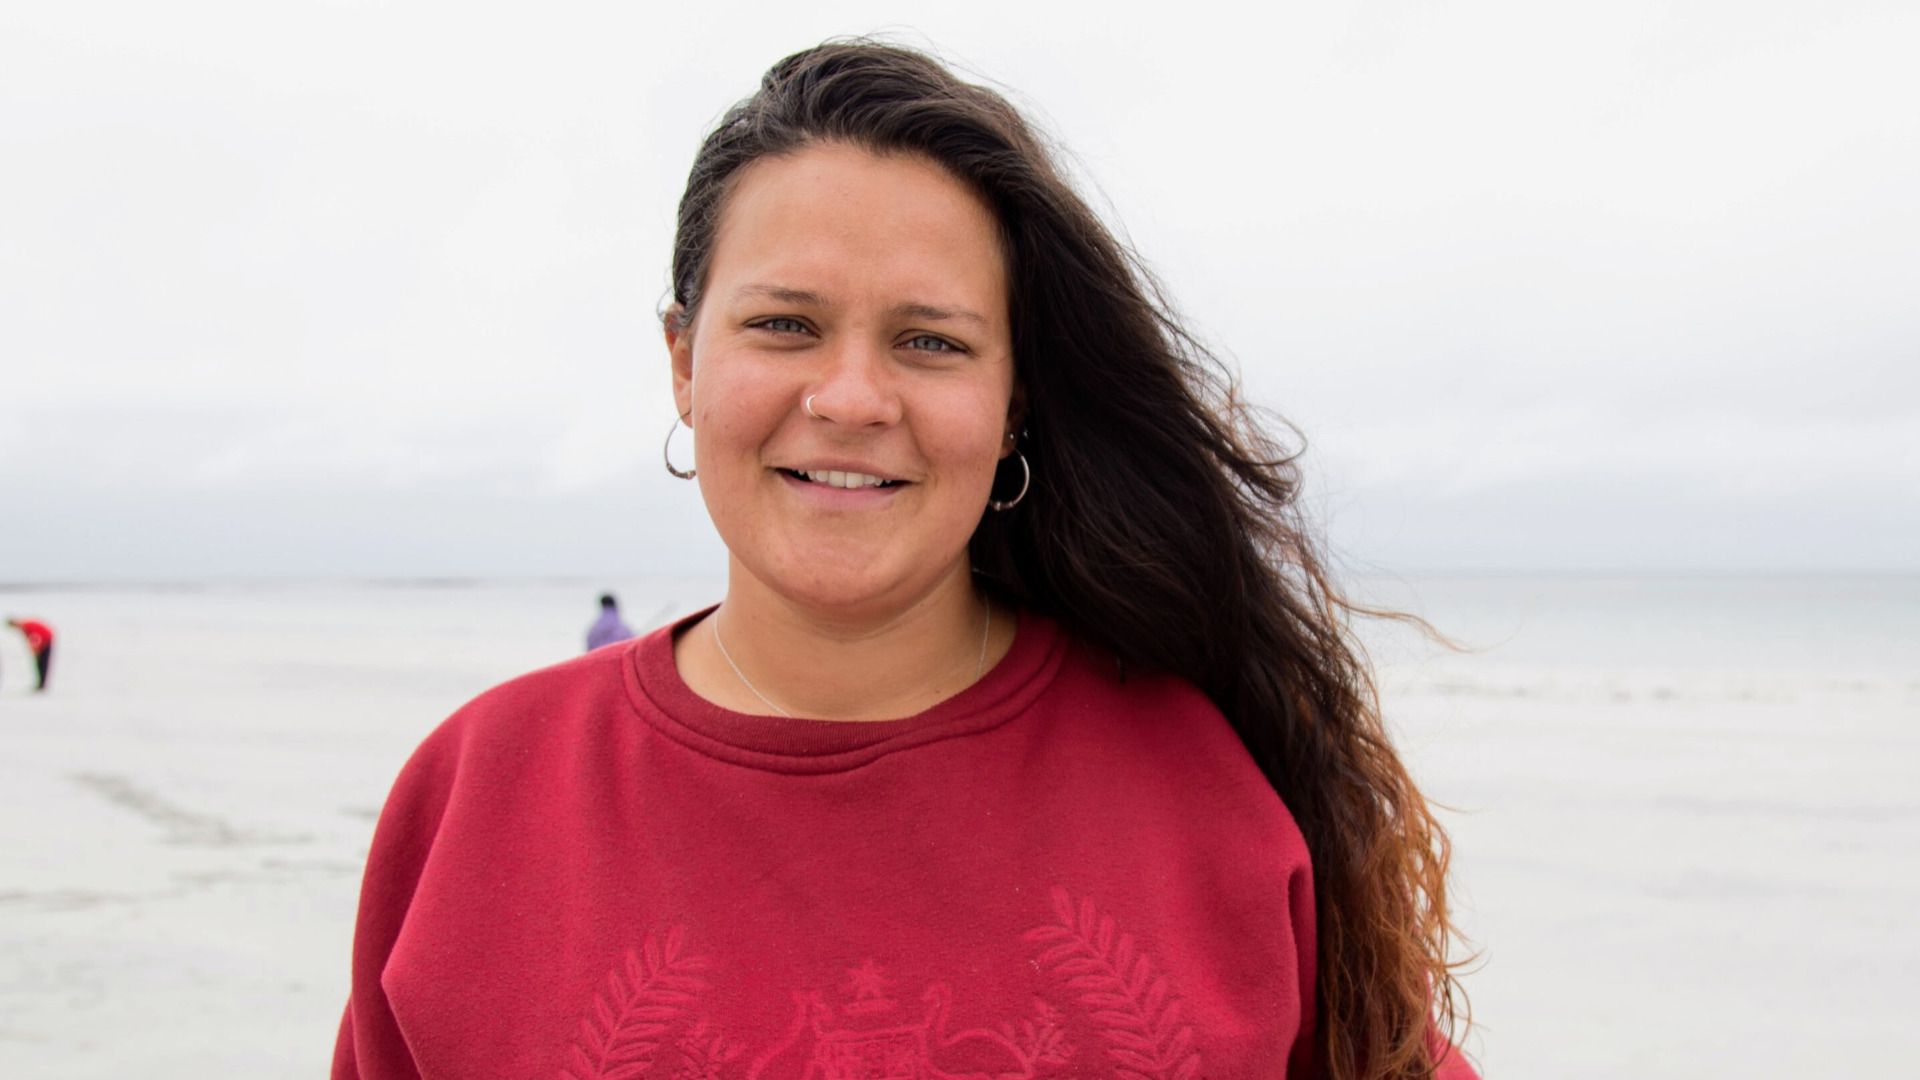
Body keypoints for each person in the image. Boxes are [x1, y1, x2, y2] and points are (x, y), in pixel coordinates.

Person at [335, 42, 1473, 1080]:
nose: (851, 399)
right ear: (683, 361)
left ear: (1013, 396)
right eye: (785, 324)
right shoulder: (476, 800)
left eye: (930, 342)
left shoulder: (1209, 782)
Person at [6, 617, 54, 692]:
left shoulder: (26, 626)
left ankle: (42, 684)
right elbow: (29, 638)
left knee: (43, 663)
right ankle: (40, 683)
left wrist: (37, 648)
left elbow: (35, 637)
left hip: (46, 639)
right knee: (39, 663)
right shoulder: (23, 627)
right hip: (42, 641)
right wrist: (34, 648)